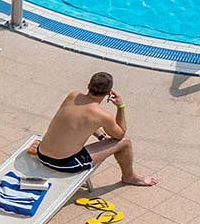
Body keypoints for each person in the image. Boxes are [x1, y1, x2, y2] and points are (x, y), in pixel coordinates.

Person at [28, 72, 158, 187]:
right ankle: (129, 177)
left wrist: (101, 136)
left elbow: (80, 121)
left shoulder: (73, 95)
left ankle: (129, 176)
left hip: (41, 154)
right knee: (125, 142)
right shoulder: (103, 115)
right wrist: (120, 107)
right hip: (65, 163)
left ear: (88, 85)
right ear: (109, 93)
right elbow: (120, 135)